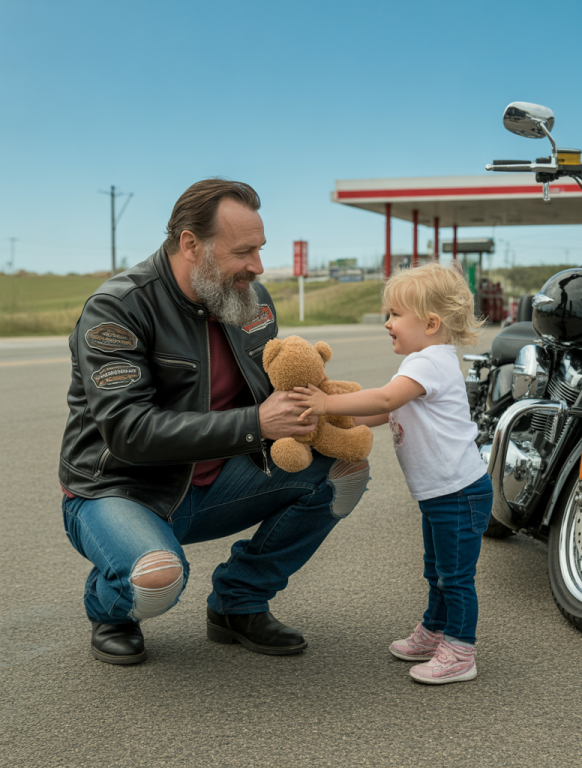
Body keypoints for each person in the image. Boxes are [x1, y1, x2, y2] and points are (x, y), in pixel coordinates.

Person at [59, 178, 369, 665]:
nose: (258, 266)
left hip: (215, 484)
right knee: (154, 581)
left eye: (260, 249)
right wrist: (256, 425)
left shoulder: (248, 298)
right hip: (121, 490)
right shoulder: (117, 308)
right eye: (243, 251)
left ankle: (238, 603)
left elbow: (273, 391)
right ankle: (111, 606)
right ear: (190, 244)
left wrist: (332, 406)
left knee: (344, 472)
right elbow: (128, 432)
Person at [291, 262, 492, 684]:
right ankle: (435, 631)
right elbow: (389, 411)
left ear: (431, 323)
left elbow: (383, 397)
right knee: (436, 568)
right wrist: (340, 429)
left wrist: (327, 406)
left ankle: (460, 651)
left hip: (458, 492)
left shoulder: (429, 363)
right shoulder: (426, 363)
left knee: (455, 576)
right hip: (442, 492)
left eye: (396, 315)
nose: (387, 323)